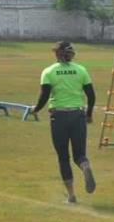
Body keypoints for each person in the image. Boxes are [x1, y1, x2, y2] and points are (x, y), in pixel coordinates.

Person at [31, 41, 96, 203]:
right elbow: (91, 96)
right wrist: (88, 114)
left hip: (58, 117)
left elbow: (44, 96)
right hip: (78, 115)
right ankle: (85, 166)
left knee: (63, 157)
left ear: (57, 54)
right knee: (79, 155)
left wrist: (36, 109)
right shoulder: (81, 70)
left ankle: (72, 195)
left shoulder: (49, 72)